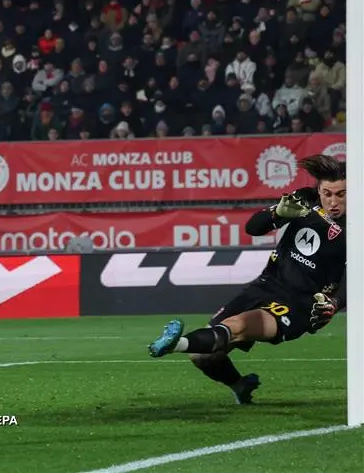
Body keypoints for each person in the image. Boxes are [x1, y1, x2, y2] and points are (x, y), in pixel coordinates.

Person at [148, 155, 346, 404]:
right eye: (327, 193)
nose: (333, 202)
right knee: (202, 357)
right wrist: (276, 214)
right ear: (319, 189)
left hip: (301, 304)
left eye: (341, 194)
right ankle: (239, 386)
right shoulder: (305, 199)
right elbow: (253, 228)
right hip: (266, 285)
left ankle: (175, 344)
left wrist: (334, 303)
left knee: (237, 325)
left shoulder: (356, 226)